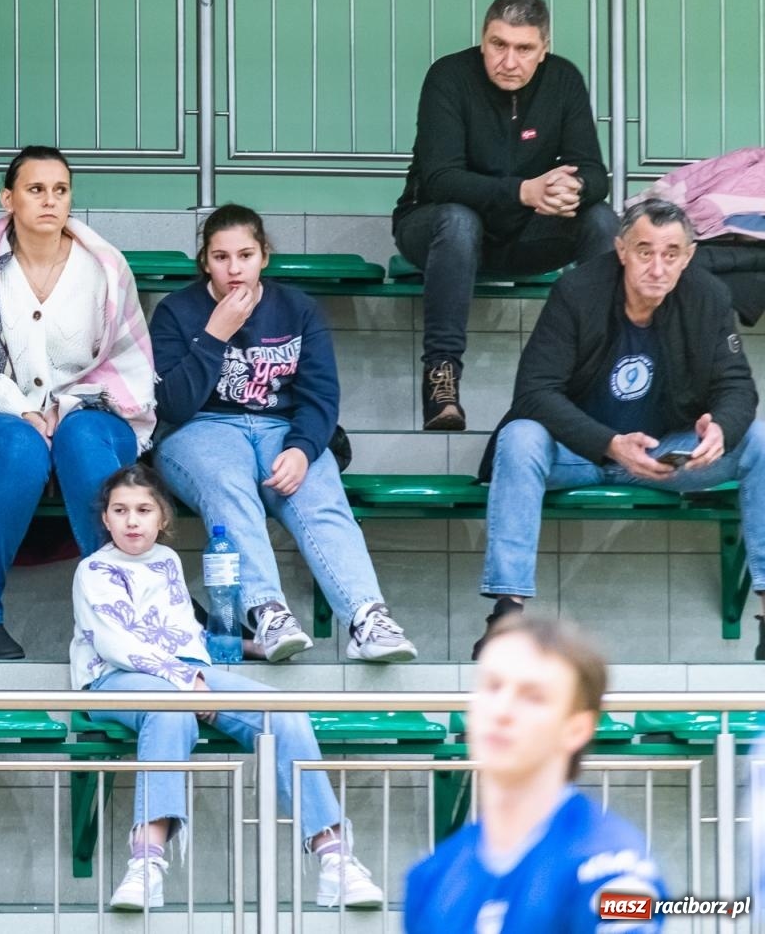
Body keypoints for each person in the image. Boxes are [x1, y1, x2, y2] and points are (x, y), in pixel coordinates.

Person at [74, 465, 385, 911]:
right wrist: (187, 682)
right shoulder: (94, 569)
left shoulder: (168, 562)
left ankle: (335, 858)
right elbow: (116, 642)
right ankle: (146, 864)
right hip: (114, 676)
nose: (131, 520)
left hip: (183, 671)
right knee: (168, 708)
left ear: (162, 517)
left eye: (143, 509)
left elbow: (180, 632)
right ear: (105, 519)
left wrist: (239, 647)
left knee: (279, 710)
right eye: (119, 510)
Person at [473, 198, 764, 656]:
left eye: (671, 254)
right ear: (621, 250)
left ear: (687, 257)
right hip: (580, 455)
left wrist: (721, 429)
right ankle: (507, 614)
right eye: (645, 251)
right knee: (521, 435)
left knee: (760, 440)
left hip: (665, 456)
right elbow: (533, 391)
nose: (657, 267)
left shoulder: (708, 296)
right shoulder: (578, 290)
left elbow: (737, 388)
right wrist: (610, 444)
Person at [151, 204, 417, 663]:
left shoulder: (297, 309)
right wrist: (215, 334)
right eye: (220, 257)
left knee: (319, 492)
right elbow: (171, 404)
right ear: (204, 261)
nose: (234, 269)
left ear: (265, 256)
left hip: (281, 428)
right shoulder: (177, 311)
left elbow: (320, 397)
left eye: (245, 255)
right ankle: (268, 612)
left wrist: (302, 449)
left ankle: (368, 618)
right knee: (228, 485)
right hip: (200, 429)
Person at [0, 146, 156, 660]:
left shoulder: (105, 268)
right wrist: (22, 410)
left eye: (60, 190)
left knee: (81, 435)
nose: (50, 200)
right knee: (20, 444)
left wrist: (66, 407)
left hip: (95, 413)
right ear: (8, 198)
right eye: (35, 189)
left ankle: (118, 613)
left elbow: (128, 367)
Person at [394, 0, 618, 431]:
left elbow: (596, 173)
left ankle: (602, 373)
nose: (509, 61)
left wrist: (571, 188)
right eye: (498, 45)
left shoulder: (563, 79)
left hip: (526, 236)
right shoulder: (449, 76)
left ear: (544, 49)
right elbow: (440, 179)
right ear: (483, 39)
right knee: (459, 219)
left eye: (524, 49)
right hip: (437, 231)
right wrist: (525, 192)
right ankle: (442, 380)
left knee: (602, 220)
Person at [405, 616, 664, 931]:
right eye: (492, 686)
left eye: (533, 696)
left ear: (577, 728)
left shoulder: (615, 867)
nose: (502, 710)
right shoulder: (430, 877)